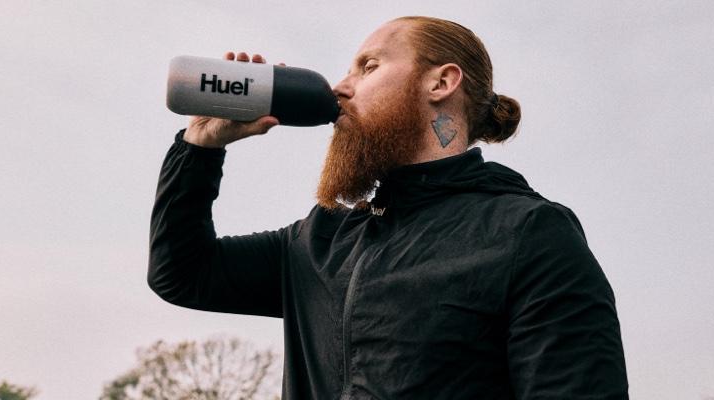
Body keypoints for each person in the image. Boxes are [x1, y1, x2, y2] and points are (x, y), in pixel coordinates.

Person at [149, 16, 628, 399]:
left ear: (441, 82)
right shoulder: (318, 242)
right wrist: (200, 146)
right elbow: (183, 273)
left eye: (369, 66)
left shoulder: (528, 232)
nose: (341, 87)